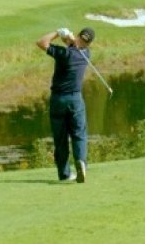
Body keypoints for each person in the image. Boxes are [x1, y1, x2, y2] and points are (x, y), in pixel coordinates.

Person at [35, 26, 96, 183]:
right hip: (75, 100)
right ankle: (81, 161)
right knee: (79, 134)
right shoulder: (86, 54)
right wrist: (69, 39)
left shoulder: (65, 54)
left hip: (58, 100)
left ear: (78, 36)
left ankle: (64, 174)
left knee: (60, 139)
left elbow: (41, 42)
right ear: (88, 44)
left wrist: (57, 32)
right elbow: (73, 44)